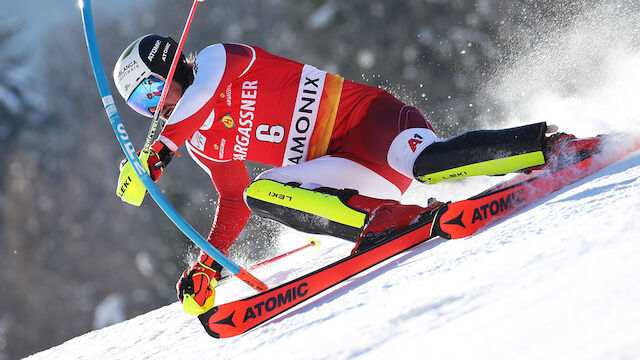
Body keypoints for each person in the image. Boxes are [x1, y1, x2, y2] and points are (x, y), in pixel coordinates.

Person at [113, 34, 589, 316]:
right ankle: (385, 221)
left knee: (430, 166)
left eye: (153, 94)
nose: (156, 109)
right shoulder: (194, 137)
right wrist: (207, 265)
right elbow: (235, 201)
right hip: (350, 172)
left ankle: (548, 147)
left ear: (173, 67)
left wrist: (156, 155)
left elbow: (196, 103)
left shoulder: (220, 60)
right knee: (263, 190)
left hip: (369, 122)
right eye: (142, 106)